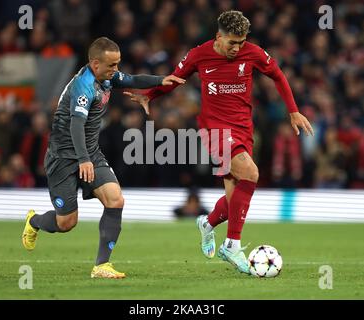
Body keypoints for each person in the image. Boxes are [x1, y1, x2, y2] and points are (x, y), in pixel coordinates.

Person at [125, 11, 314, 274]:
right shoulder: (198, 54)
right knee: (251, 173)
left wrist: (293, 110)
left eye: (241, 42)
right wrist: (151, 95)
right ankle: (232, 246)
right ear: (218, 36)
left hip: (244, 128)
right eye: (232, 43)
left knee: (235, 199)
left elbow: (278, 76)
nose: (237, 48)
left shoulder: (253, 52)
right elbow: (175, 79)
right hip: (214, 128)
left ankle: (207, 223)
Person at [21, 36, 184, 279]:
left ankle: (101, 266)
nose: (116, 70)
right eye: (112, 65)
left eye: (117, 64)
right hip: (64, 158)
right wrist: (83, 159)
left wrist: (162, 80)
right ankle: (34, 221)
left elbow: (132, 79)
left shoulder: (106, 77)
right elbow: (77, 126)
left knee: (115, 200)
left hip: (90, 154)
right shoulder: (83, 87)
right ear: (95, 64)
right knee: (66, 223)